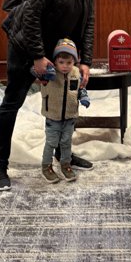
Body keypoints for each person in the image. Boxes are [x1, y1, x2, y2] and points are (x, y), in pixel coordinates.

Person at [0, 0, 97, 191]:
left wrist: (86, 61)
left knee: (61, 104)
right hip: (25, 49)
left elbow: (88, 25)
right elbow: (30, 16)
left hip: (58, 55)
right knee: (11, 104)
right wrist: (38, 56)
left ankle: (63, 156)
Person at [40, 38, 91, 184]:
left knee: (66, 142)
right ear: (55, 61)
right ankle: (46, 166)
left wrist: (84, 97)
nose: (65, 66)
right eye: (61, 62)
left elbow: (80, 89)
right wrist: (43, 72)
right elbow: (35, 72)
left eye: (69, 63)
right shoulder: (49, 72)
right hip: (53, 116)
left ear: (74, 61)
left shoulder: (76, 73)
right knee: (51, 142)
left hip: (69, 116)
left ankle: (65, 164)